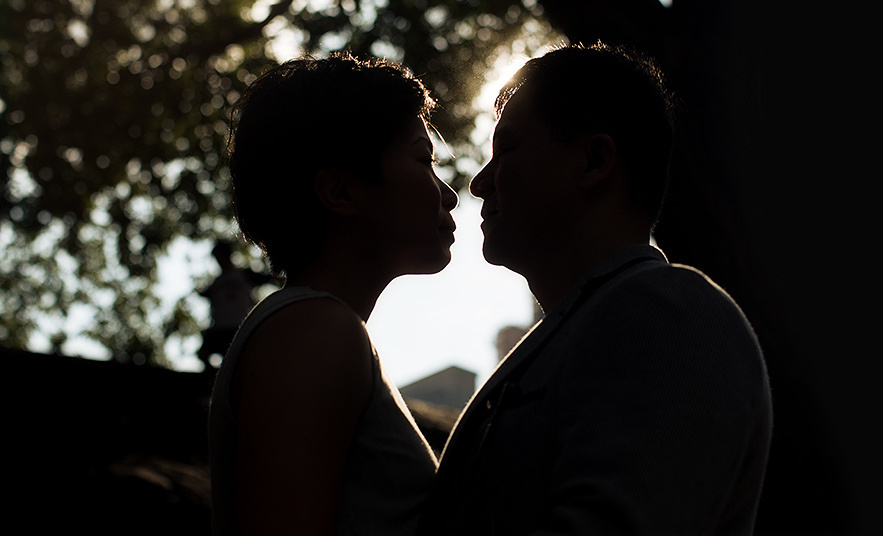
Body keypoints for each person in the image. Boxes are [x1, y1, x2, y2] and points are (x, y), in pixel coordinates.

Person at [417, 42, 773, 535]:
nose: (479, 183)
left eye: (507, 150)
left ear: (593, 161)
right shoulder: (583, 330)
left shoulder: (669, 315)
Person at [208, 52, 458, 535]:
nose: (448, 194)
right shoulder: (314, 332)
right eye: (423, 159)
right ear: (341, 193)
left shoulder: (318, 331)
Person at [197, 239, 270, 373]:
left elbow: (265, 278)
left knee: (237, 361)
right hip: (219, 326)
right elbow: (205, 294)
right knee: (203, 353)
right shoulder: (216, 282)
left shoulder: (243, 274)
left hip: (237, 326)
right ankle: (214, 378)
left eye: (221, 256)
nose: (219, 261)